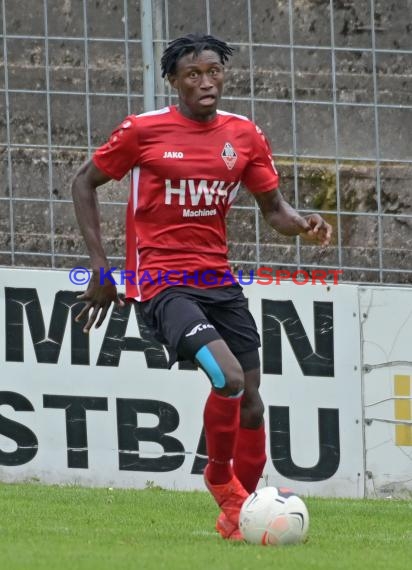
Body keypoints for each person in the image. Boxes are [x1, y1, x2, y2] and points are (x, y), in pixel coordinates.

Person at [71, 33, 332, 541]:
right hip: (161, 283)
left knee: (253, 402)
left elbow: (273, 210)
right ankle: (220, 480)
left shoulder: (245, 135)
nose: (206, 82)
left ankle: (240, 516)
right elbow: (84, 180)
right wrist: (102, 268)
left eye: (214, 71)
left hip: (218, 280)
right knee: (229, 378)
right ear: (173, 81)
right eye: (194, 74)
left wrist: (303, 223)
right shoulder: (142, 131)